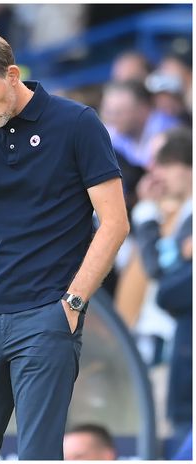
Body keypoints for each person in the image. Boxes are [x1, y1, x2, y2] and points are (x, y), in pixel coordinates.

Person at [0, 31, 129, 459]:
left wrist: (72, 303)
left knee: (38, 454)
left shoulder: (76, 123)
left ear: (13, 75)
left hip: (47, 315)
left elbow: (115, 223)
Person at [131, 128, 192, 454]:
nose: (158, 177)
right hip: (166, 342)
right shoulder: (177, 214)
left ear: (185, 167)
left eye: (164, 165)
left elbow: (160, 274)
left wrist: (145, 213)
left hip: (179, 343)